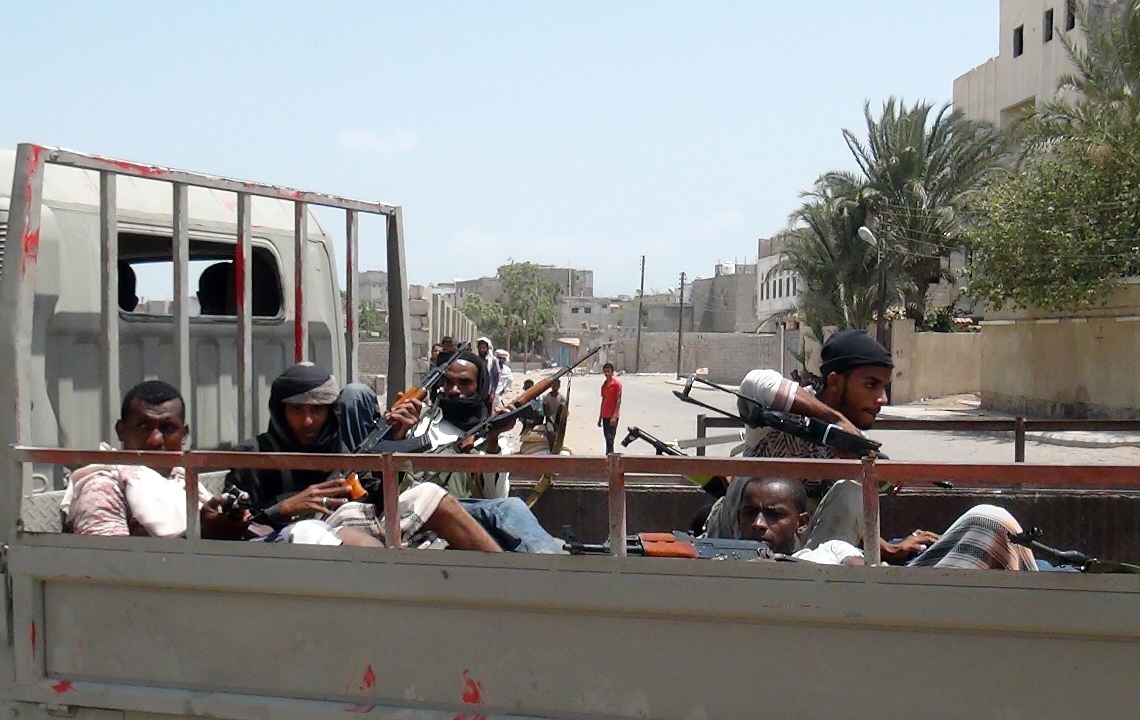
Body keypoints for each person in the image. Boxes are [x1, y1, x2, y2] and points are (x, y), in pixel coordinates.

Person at [228, 362, 503, 552]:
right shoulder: (253, 456)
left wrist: (395, 440)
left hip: (355, 525)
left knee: (429, 493)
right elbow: (232, 527)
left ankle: (507, 580)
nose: (309, 420)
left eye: (318, 410)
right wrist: (285, 508)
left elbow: (377, 499)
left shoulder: (340, 449)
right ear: (280, 410)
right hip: (296, 543)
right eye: (297, 410)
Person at [344, 351, 563, 553]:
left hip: (459, 514)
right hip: (410, 508)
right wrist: (398, 434)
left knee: (512, 506)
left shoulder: (491, 434)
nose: (454, 390)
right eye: (449, 382)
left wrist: (492, 441)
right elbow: (379, 474)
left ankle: (548, 571)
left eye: (464, 383)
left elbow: (494, 499)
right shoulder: (420, 418)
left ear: (480, 387)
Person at [708, 476, 1037, 570]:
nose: (759, 524)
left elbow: (862, 571)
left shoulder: (828, 550)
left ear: (801, 523)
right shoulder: (724, 563)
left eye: (774, 514)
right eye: (750, 514)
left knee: (989, 520)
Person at [64, 380, 248, 540]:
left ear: (183, 435)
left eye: (167, 428)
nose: (155, 440)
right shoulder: (105, 486)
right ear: (121, 430)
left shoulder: (182, 480)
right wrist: (200, 534)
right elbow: (110, 567)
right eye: (143, 426)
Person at [598, 362, 622, 454]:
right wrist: (600, 417)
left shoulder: (616, 384)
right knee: (606, 438)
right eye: (605, 372)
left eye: (608, 371)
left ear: (612, 372)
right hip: (605, 415)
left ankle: (610, 458)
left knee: (610, 438)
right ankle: (608, 456)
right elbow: (603, 401)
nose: (606, 374)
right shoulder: (603, 385)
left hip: (613, 416)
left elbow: (618, 400)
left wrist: (614, 416)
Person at [542, 378, 566, 453]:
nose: (555, 387)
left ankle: (558, 447)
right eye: (554, 385)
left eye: (557, 385)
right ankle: (551, 449)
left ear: (559, 386)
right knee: (550, 431)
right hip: (550, 418)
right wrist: (553, 423)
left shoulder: (561, 398)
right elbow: (547, 412)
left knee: (560, 433)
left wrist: (559, 423)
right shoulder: (546, 397)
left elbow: (563, 411)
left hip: (558, 418)